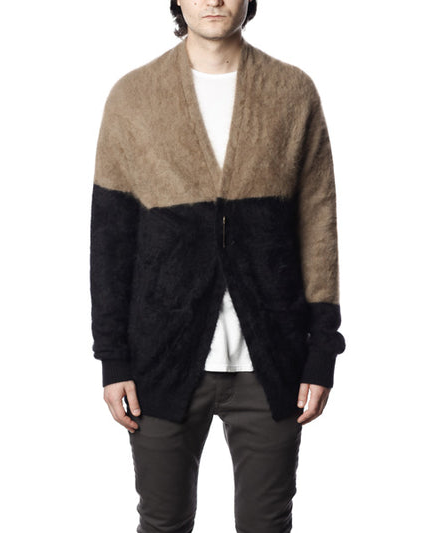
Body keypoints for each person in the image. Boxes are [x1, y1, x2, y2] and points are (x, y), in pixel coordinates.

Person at [89, 1, 346, 531]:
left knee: (266, 524)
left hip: (272, 360)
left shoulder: (292, 92)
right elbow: (110, 240)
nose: (213, 0)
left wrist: (322, 350)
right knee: (163, 522)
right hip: (161, 359)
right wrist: (113, 359)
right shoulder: (133, 97)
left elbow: (318, 226)